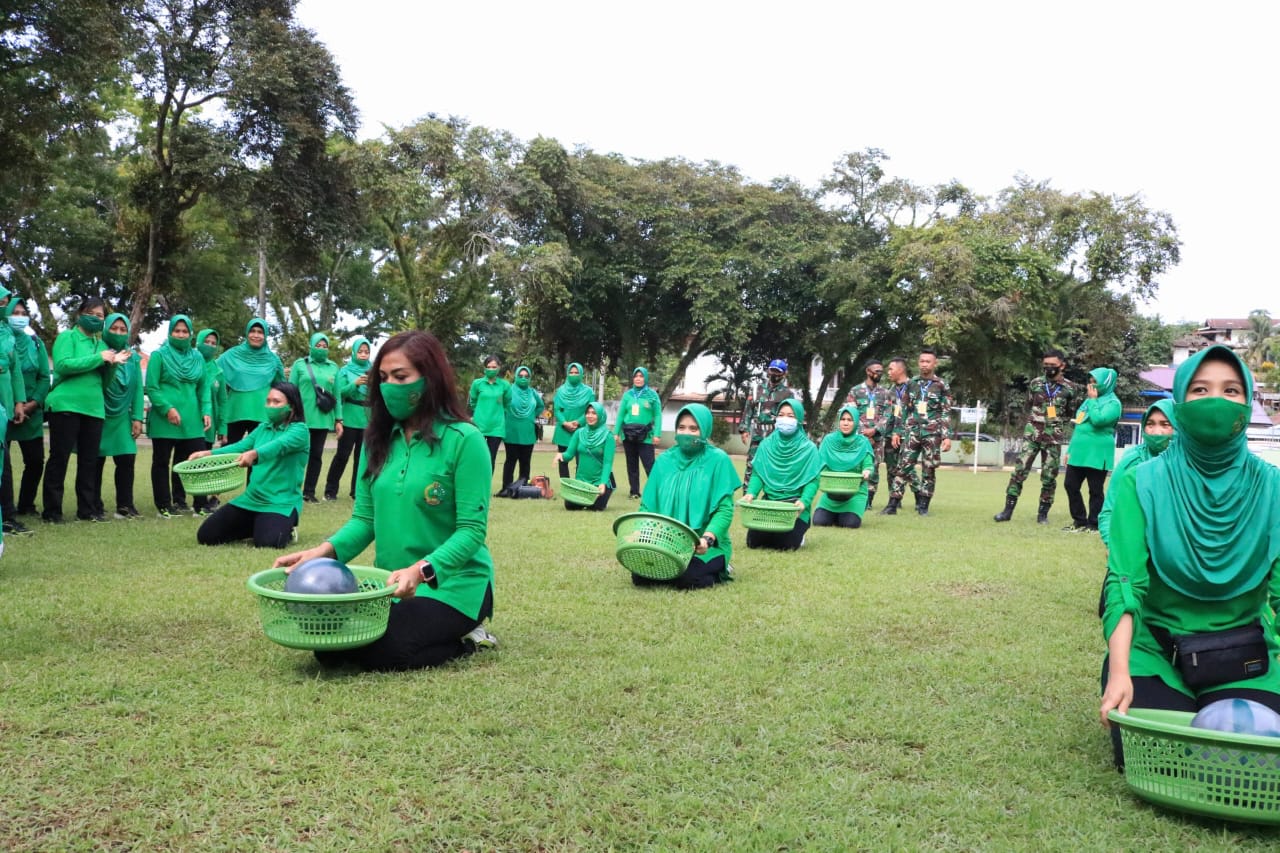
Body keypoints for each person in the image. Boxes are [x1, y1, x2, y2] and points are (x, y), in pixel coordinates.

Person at [1099, 345, 1280, 770]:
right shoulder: (1141, 482)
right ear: (1180, 402)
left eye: (1231, 391)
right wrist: (1120, 672)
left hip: (1244, 655)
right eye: (1200, 390)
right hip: (1156, 653)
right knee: (1157, 759)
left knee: (1245, 760)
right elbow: (1125, 583)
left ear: (1248, 402)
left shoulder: (1273, 488)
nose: (1216, 402)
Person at [274, 330, 498, 671]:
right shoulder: (376, 440)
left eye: (401, 376)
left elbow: (471, 531)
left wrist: (421, 571)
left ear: (430, 379)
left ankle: (467, 641)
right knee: (329, 647)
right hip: (392, 587)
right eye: (382, 378)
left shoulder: (465, 439)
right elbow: (364, 520)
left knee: (386, 650)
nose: (389, 386)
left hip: (454, 586)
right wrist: (321, 552)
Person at [42, 297, 130, 523]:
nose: (96, 319)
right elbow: (63, 365)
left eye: (100, 316)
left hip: (94, 409)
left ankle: (87, 510)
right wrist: (98, 358)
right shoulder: (67, 337)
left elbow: (104, 383)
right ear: (80, 314)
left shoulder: (101, 345)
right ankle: (52, 512)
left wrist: (113, 363)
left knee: (89, 461)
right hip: (65, 405)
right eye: (92, 314)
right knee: (59, 458)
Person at [633, 403, 739, 589]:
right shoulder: (664, 461)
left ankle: (722, 566)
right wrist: (640, 533)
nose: (686, 433)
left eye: (693, 428)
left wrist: (708, 538)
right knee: (640, 576)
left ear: (704, 430)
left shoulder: (718, 460)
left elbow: (724, 509)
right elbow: (647, 507)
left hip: (705, 546)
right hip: (669, 544)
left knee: (688, 578)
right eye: (681, 428)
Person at [194, 381, 309, 548]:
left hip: (280, 502)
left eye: (276, 402)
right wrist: (208, 453)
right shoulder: (263, 428)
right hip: (252, 499)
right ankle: (257, 525)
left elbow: (278, 446)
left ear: (292, 405)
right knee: (206, 535)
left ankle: (284, 528)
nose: (270, 405)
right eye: (268, 401)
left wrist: (255, 454)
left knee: (268, 543)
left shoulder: (300, 430)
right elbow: (241, 446)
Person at [994, 349, 1081, 524]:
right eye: (1045, 365)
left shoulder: (1071, 388)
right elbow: (1029, 404)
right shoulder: (1035, 384)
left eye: (1052, 365)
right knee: (1019, 472)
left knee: (1049, 476)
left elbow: (1072, 412)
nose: (1048, 368)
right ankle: (1007, 511)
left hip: (1053, 438)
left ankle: (1043, 515)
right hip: (1032, 435)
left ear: (1062, 365)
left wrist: (1056, 423)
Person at [146, 314, 212, 518]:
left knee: (197, 462)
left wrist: (206, 410)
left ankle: (200, 505)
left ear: (191, 334)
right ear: (170, 332)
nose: (181, 335)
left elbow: (203, 387)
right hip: (164, 418)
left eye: (185, 331)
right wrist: (167, 408)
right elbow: (152, 387)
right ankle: (164, 505)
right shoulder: (159, 355)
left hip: (192, 419)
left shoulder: (197, 357)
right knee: (162, 462)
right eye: (177, 331)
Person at [743, 399, 821, 550]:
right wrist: (751, 493)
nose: (785, 419)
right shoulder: (766, 445)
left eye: (791, 416)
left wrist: (804, 501)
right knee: (754, 543)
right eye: (781, 415)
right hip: (770, 504)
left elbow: (813, 480)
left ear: (798, 420)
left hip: (795, 508)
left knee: (785, 544)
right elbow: (758, 474)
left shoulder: (809, 449)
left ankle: (800, 533)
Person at [883, 348, 953, 517]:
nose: (924, 364)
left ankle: (923, 507)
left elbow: (946, 411)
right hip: (912, 432)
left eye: (928, 361)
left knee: (929, 470)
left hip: (932, 433)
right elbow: (904, 410)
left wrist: (946, 436)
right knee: (903, 467)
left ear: (934, 363)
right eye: (921, 361)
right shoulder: (911, 383)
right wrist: (897, 432)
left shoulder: (942, 385)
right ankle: (892, 505)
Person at [1097, 399, 1175, 547]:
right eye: (1150, 424)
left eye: (1165, 425)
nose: (1157, 432)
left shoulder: (1188, 460)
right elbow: (1110, 509)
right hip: (1134, 542)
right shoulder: (1132, 459)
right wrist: (1111, 544)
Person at [1, 299, 48, 535]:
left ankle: (26, 504)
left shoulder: (35, 343)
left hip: (30, 410)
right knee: (4, 464)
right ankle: (5, 511)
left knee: (35, 460)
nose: (19, 316)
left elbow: (44, 377)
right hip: (4, 410)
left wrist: (29, 405)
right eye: (14, 312)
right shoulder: (4, 338)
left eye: (22, 313)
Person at [95, 313, 145, 520]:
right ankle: (93, 505)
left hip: (122, 416)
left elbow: (137, 389)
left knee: (126, 459)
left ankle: (125, 505)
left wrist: (137, 417)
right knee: (95, 462)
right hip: (99, 412)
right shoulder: (98, 350)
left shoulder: (132, 357)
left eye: (122, 329)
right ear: (106, 329)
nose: (118, 332)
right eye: (114, 328)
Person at [1061, 367, 1121, 532]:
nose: (1091, 385)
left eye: (1096, 382)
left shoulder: (1113, 404)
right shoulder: (1087, 401)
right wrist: (1069, 450)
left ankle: (1093, 524)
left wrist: (1093, 400)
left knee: (1095, 490)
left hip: (1097, 452)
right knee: (1070, 485)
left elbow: (1098, 420)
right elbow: (1079, 425)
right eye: (1090, 381)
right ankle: (1079, 521)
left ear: (1106, 383)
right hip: (1079, 452)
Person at [289, 331, 343, 503]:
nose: (321, 349)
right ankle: (291, 489)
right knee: (297, 455)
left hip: (322, 419)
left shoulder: (334, 367)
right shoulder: (299, 365)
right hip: (300, 418)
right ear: (311, 346)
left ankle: (309, 492)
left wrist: (339, 420)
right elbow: (290, 391)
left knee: (316, 455)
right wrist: (288, 414)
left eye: (324, 346)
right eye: (318, 346)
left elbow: (337, 396)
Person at [218, 318, 285, 445]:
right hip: (234, 412)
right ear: (247, 333)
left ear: (265, 335)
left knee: (257, 459)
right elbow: (212, 373)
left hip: (262, 414)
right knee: (228, 457)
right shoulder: (232, 354)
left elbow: (282, 389)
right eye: (252, 331)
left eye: (260, 332)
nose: (256, 335)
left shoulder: (273, 360)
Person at [738, 358, 799, 493]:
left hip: (776, 435)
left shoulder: (788, 394)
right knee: (752, 465)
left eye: (778, 372)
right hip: (758, 434)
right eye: (772, 370)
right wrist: (744, 429)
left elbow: (793, 415)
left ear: (784, 374)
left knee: (774, 466)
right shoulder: (756, 389)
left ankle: (772, 496)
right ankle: (747, 496)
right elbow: (748, 409)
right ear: (768, 370)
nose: (774, 374)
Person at [813, 404, 875, 529]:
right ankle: (833, 513)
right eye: (843, 419)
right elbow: (820, 465)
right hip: (831, 493)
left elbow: (868, 464)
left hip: (854, 494)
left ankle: (848, 513)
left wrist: (867, 471)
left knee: (849, 524)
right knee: (819, 521)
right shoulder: (829, 440)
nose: (845, 423)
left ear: (856, 422)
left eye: (850, 420)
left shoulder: (863, 442)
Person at [325, 336, 371, 500]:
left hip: (367, 418)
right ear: (354, 352)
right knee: (342, 455)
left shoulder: (374, 369)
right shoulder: (345, 371)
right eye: (360, 351)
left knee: (363, 457)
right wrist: (355, 384)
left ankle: (357, 492)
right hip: (350, 416)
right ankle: (330, 491)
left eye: (366, 352)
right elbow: (339, 392)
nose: (364, 354)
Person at [0, 289, 30, 534]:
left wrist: (19, 402)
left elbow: (16, 370)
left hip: (4, 405)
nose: (3, 305)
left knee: (5, 462)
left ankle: (7, 517)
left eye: (5, 303)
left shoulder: (7, 332)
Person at [555, 401, 615, 511]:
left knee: (595, 507)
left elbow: (608, 463)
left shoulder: (608, 436)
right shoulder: (579, 433)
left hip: (600, 481)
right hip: (582, 481)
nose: (590, 416)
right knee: (570, 505)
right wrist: (561, 455)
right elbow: (569, 455)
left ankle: (604, 495)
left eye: (594, 413)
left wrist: (603, 483)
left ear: (600, 416)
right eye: (587, 413)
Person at [847, 359, 890, 510]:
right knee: (856, 466)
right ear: (868, 371)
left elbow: (887, 414)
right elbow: (851, 413)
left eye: (881, 371)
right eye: (876, 371)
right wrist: (864, 433)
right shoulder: (855, 391)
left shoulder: (885, 393)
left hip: (877, 440)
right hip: (859, 438)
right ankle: (855, 497)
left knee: (874, 468)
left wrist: (875, 430)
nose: (880, 373)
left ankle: (869, 500)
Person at [614, 366, 662, 498]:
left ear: (645, 378)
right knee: (632, 465)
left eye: (641, 376)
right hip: (628, 435)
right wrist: (616, 432)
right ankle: (634, 492)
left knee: (649, 465)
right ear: (633, 378)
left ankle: (656, 492)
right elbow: (621, 415)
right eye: (636, 376)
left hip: (645, 436)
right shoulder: (628, 395)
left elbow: (658, 415)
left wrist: (657, 434)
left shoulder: (652, 395)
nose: (638, 379)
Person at [878, 357, 911, 516]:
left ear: (901, 370)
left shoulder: (914, 388)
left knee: (907, 469)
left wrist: (900, 432)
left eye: (891, 369)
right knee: (891, 469)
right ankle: (894, 502)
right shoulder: (890, 391)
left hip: (908, 435)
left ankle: (921, 500)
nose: (888, 372)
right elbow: (889, 414)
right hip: (890, 436)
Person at [501, 365, 542, 491]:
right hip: (511, 430)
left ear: (530, 378)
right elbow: (501, 405)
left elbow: (540, 406)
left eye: (526, 376)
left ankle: (523, 487)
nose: (523, 378)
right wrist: (506, 415)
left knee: (525, 461)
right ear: (516, 377)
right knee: (510, 460)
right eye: (520, 376)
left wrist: (532, 415)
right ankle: (507, 487)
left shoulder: (533, 392)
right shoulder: (509, 390)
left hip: (528, 431)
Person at [469, 355, 511, 473]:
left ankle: (486, 487)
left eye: (494, 367)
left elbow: (507, 404)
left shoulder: (505, 385)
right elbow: (473, 402)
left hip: (496, 428)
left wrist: (499, 414)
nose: (491, 369)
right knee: (477, 457)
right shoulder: (477, 384)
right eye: (488, 367)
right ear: (484, 368)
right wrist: (480, 413)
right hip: (479, 426)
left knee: (490, 458)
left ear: (499, 368)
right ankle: (475, 486)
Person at [552, 362, 593, 479]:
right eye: (571, 372)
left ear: (581, 374)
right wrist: (565, 423)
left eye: (576, 373)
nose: (573, 375)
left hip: (581, 431)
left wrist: (578, 422)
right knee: (563, 460)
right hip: (563, 431)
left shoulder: (588, 392)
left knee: (581, 462)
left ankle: (579, 486)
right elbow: (557, 410)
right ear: (567, 373)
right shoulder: (560, 391)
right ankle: (566, 486)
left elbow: (591, 411)